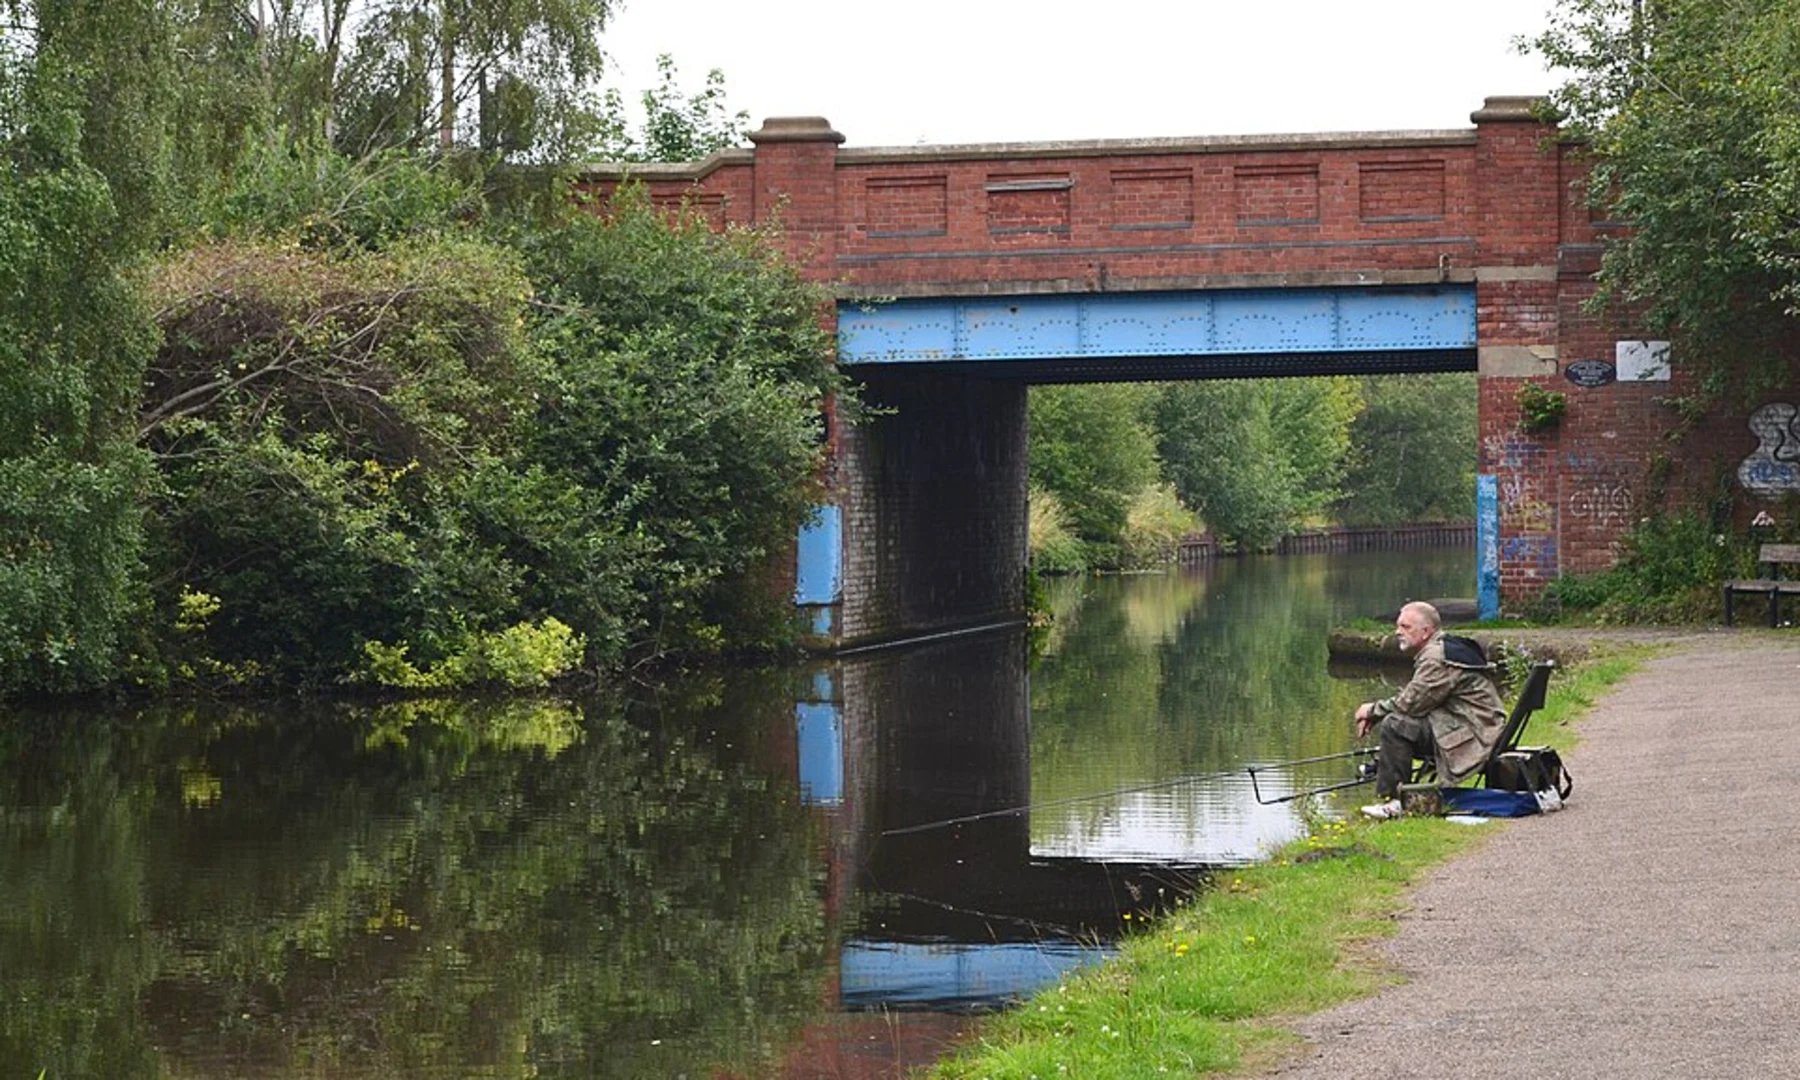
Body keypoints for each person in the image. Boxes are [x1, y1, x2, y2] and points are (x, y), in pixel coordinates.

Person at [1353, 600, 1505, 819]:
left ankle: (1394, 802)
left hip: (1475, 737)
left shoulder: (1436, 658)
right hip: (1476, 727)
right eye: (1398, 626)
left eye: (1406, 627)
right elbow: (1419, 701)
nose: (1398, 632)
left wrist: (1371, 711)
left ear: (1426, 631)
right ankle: (1392, 788)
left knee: (1395, 725)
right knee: (1400, 721)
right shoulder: (1442, 648)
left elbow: (1410, 703)